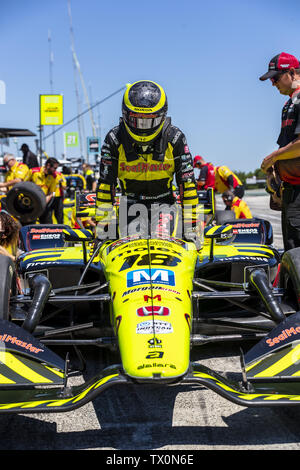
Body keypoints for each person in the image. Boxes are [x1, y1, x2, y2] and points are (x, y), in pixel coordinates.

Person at [96, 80, 199, 241]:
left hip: (165, 205)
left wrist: (191, 227)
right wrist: (103, 230)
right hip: (129, 205)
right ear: (125, 114)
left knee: (164, 242)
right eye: (137, 119)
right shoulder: (114, 139)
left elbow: (187, 185)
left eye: (150, 120)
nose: (143, 127)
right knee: (131, 247)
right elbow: (105, 186)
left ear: (162, 116)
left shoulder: (175, 138)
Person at [260, 52, 300, 251]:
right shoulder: (288, 105)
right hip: (290, 191)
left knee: (296, 254)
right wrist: (274, 177)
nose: (273, 83)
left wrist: (272, 157)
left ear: (292, 72)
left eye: (275, 77)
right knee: (291, 252)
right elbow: (286, 146)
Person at [30, 157, 60, 224]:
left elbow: (51, 192)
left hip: (43, 204)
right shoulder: (33, 172)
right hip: (30, 204)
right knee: (29, 226)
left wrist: (43, 202)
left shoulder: (54, 177)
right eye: (54, 168)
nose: (55, 170)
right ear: (48, 165)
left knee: (48, 225)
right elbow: (23, 185)